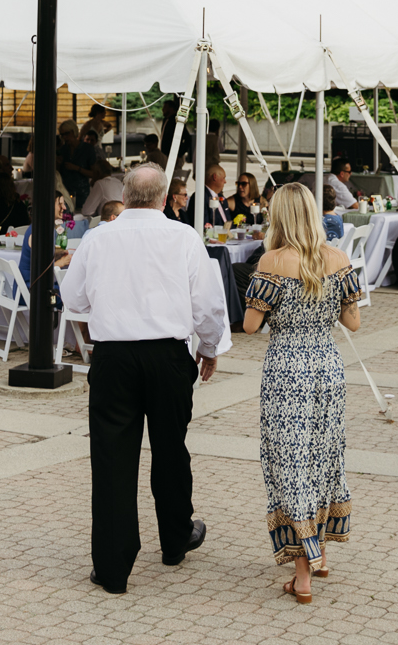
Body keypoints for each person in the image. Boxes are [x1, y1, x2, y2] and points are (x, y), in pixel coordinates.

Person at [60, 163, 228, 594]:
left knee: (113, 459)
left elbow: (73, 297)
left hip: (114, 357)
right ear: (162, 198)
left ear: (128, 195)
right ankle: (175, 538)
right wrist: (208, 348)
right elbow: (208, 304)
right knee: (171, 448)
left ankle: (114, 567)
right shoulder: (183, 237)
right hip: (168, 356)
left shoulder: (98, 239)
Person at [243, 183, 361, 603]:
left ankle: (303, 573)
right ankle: (322, 553)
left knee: (291, 464)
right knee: (324, 457)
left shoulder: (271, 261)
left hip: (287, 370)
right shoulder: (338, 259)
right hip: (328, 367)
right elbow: (354, 322)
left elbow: (251, 326)